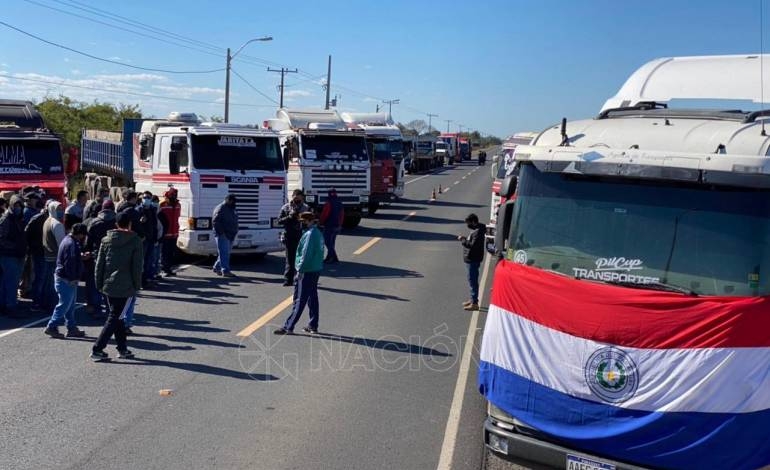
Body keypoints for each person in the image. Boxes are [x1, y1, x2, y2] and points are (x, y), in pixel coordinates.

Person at [91, 211, 142, 361]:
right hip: (126, 287)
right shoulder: (135, 241)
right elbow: (137, 266)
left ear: (116, 224)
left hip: (108, 285)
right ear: (130, 224)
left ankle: (122, 348)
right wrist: (137, 285)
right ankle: (98, 348)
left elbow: (99, 264)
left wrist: (98, 283)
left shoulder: (106, 240)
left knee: (117, 316)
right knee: (116, 317)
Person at [274, 212, 324, 335]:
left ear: (309, 221)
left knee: (299, 299)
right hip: (315, 268)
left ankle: (288, 326)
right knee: (312, 298)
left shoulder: (310, 234)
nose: (301, 224)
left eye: (303, 222)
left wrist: (300, 269)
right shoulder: (317, 233)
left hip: (306, 270)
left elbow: (306, 253)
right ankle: (313, 325)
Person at [43, 224, 89, 338]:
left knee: (70, 305)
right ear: (80, 234)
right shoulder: (71, 244)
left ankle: (71, 327)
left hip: (63, 277)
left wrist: (80, 256)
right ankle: (52, 326)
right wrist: (73, 278)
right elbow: (70, 263)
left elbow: (70, 259)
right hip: (66, 279)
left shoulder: (67, 240)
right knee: (64, 305)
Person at [84, 199, 116, 317]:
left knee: (95, 284)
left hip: (97, 256)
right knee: (110, 285)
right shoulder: (116, 222)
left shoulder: (94, 222)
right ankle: (110, 310)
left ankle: (96, 309)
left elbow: (88, 242)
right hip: (113, 257)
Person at [0, 195, 28, 317]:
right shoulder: (6, 219)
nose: (19, 208)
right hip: (9, 255)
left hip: (17, 254)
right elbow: (1, 239)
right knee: (10, 282)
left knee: (10, 282)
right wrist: (15, 246)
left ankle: (7, 305)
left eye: (20, 206)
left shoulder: (18, 218)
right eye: (16, 205)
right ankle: (10, 306)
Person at [277, 189, 309, 286]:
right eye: (295, 197)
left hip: (301, 236)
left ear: (302, 198)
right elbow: (279, 221)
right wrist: (289, 217)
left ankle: (300, 278)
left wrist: (300, 218)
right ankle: (288, 279)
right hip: (289, 235)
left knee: (301, 259)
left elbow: (310, 222)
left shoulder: (306, 208)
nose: (297, 200)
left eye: (299, 198)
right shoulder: (286, 207)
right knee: (290, 259)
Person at [458, 213, 485, 311]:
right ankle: (472, 299)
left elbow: (472, 245)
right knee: (471, 280)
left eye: (469, 223)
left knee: (473, 280)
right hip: (472, 258)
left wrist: (463, 240)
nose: (468, 225)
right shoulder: (477, 230)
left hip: (473, 259)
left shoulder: (477, 232)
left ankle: (474, 303)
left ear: (474, 222)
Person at [42, 201, 66, 310]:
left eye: (61, 209)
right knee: (55, 284)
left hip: (47, 256)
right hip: (56, 257)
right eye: (58, 209)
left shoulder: (47, 221)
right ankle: (53, 305)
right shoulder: (57, 224)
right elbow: (62, 244)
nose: (61, 211)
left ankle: (46, 303)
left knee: (48, 283)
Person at [24, 199, 48, 310]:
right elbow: (27, 233)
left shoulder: (50, 219)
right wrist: (32, 246)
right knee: (39, 277)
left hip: (46, 252)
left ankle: (42, 300)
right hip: (38, 252)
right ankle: (36, 301)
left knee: (44, 277)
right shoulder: (37, 219)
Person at [212, 194, 238, 277]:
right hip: (223, 234)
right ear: (228, 200)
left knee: (225, 253)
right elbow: (215, 222)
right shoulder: (221, 208)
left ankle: (217, 267)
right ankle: (225, 271)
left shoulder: (231, 208)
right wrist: (222, 233)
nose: (234, 203)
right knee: (224, 253)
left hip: (230, 234)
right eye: (232, 201)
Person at [158, 187, 180, 277]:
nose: (174, 196)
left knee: (171, 253)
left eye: (175, 194)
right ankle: (164, 269)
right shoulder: (162, 205)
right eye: (173, 194)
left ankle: (169, 268)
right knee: (164, 253)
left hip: (174, 233)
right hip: (166, 233)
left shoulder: (178, 205)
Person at [319, 188, 344, 264]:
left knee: (327, 241)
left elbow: (325, 214)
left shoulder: (328, 203)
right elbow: (342, 215)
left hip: (329, 225)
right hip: (337, 225)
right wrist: (340, 224)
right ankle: (331, 257)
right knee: (332, 242)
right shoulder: (339, 203)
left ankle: (332, 257)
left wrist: (320, 222)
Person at [139, 191, 159, 287]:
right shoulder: (139, 210)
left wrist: (155, 238)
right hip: (143, 239)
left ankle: (148, 278)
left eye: (148, 198)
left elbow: (155, 225)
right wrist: (140, 222)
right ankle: (141, 281)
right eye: (145, 197)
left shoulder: (152, 209)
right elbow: (135, 225)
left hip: (151, 239)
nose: (146, 199)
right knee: (141, 261)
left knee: (150, 260)